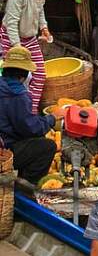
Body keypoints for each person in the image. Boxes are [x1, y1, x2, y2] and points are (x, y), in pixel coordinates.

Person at [0, 46, 60, 184]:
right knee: (48, 147)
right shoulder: (18, 96)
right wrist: (52, 118)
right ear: (25, 74)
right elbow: (31, 129)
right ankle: (25, 186)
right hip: (5, 148)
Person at [1, 0, 50, 109]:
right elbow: (11, 22)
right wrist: (17, 46)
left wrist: (44, 27)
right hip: (11, 37)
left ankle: (31, 110)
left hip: (29, 38)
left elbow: (40, 9)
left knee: (39, 75)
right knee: (11, 78)